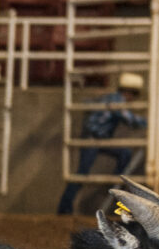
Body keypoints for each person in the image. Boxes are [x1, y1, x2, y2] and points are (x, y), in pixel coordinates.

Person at [57, 72, 147, 216]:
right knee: (81, 173)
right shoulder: (117, 101)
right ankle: (64, 209)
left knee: (123, 154)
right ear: (130, 93)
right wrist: (149, 123)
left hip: (96, 139)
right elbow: (129, 119)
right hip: (93, 139)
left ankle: (115, 183)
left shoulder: (111, 98)